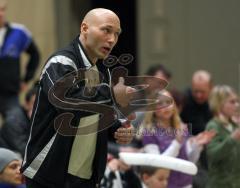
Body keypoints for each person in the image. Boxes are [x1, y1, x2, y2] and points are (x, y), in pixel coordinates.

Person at [21, 8, 135, 188]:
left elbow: (98, 113)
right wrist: (111, 94)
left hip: (85, 175)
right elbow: (67, 104)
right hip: (48, 173)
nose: (112, 39)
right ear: (84, 28)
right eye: (106, 30)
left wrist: (118, 127)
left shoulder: (102, 69)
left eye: (116, 34)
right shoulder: (61, 62)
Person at [141, 90, 215, 188]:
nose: (166, 106)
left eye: (168, 102)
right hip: (166, 185)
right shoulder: (149, 133)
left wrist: (198, 145)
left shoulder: (180, 127)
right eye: (160, 103)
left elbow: (190, 160)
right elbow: (158, 165)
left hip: (186, 184)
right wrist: (177, 143)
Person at [0, 0, 40, 120]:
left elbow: (35, 54)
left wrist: (26, 79)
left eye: (2, 9)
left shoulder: (19, 32)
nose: (0, 13)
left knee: (15, 126)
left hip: (10, 94)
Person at [206, 85, 240, 188]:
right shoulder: (213, 126)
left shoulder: (234, 126)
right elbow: (213, 155)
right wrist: (233, 138)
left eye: (237, 101)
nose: (237, 105)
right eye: (232, 102)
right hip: (220, 184)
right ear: (219, 104)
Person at [0, 85, 37, 157]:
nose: (37, 108)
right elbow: (24, 149)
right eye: (34, 104)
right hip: (9, 153)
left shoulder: (33, 118)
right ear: (26, 104)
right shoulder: (13, 120)